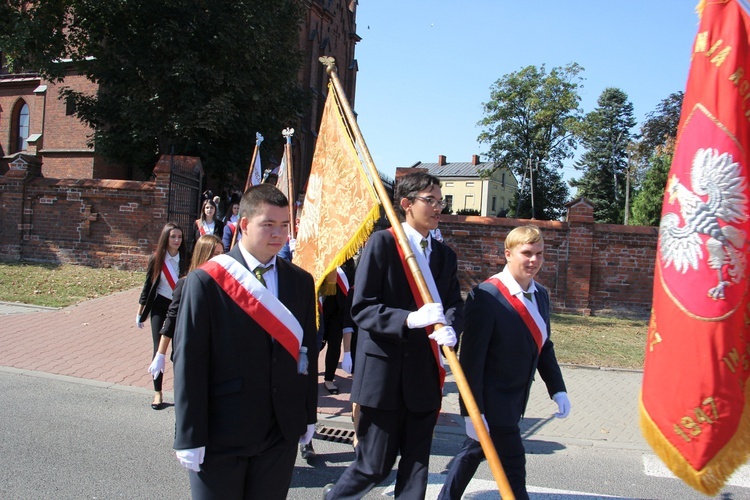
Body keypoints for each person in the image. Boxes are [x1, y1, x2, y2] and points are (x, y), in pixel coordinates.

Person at [172, 184, 318, 499]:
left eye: (284, 225)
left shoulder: (301, 282)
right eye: (268, 224)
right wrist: (188, 434)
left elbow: (306, 353)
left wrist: (308, 413)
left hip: (279, 432)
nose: (278, 233)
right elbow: (189, 362)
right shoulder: (206, 281)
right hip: (221, 432)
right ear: (244, 224)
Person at [325, 171, 463, 499]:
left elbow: (455, 303)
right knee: (374, 465)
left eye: (440, 201)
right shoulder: (384, 244)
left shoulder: (445, 255)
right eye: (429, 200)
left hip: (424, 377)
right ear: (406, 204)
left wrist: (452, 328)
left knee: (417, 469)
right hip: (384, 376)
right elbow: (362, 308)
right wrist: (409, 319)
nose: (438, 207)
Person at [437, 225, 571, 500]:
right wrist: (471, 412)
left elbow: (544, 347)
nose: (534, 260)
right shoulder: (486, 295)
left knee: (472, 453)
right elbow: (471, 361)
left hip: (516, 399)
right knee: (512, 468)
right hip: (491, 400)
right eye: (527, 253)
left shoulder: (541, 295)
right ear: (508, 254)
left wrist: (557, 389)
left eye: (539, 254)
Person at [148, 234, 223, 382]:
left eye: (222, 254)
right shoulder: (185, 283)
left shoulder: (225, 284)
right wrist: (161, 353)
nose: (220, 258)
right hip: (190, 351)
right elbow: (172, 318)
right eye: (216, 254)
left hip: (215, 352)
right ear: (204, 254)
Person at [136, 222, 188, 409]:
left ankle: (181, 392)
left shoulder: (186, 259)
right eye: (173, 236)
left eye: (179, 237)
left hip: (180, 307)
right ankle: (157, 393)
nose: (176, 240)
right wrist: (140, 312)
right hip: (159, 306)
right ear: (166, 238)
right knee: (159, 349)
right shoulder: (157, 258)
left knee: (179, 350)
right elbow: (147, 286)